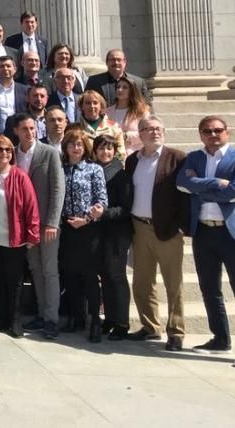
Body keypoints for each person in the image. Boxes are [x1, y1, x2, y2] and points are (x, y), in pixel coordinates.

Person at [176, 116, 235, 353]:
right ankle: (221, 339)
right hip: (203, 231)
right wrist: (216, 183)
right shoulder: (194, 158)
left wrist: (200, 188)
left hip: (232, 233)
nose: (213, 135)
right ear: (200, 134)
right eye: (207, 131)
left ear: (227, 132)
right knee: (209, 289)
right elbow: (182, 183)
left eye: (218, 130)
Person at [127, 116, 188, 349]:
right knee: (142, 282)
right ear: (140, 135)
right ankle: (150, 326)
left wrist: (181, 226)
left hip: (167, 230)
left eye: (158, 128)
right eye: (148, 129)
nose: (154, 132)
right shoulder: (134, 160)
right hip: (139, 228)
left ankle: (176, 331)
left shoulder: (177, 158)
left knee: (174, 284)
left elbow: (185, 196)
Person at [13, 113, 65, 340]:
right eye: (24, 128)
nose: (29, 132)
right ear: (16, 131)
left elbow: (57, 188)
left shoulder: (49, 153)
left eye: (32, 128)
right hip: (24, 224)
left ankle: (52, 318)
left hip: (46, 224)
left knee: (49, 270)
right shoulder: (12, 154)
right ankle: (43, 314)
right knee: (34, 270)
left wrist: (53, 221)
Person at [0, 135, 40, 337]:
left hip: (15, 237)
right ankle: (1, 318)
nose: (4, 153)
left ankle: (15, 321)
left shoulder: (20, 176)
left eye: (8, 150)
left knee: (14, 281)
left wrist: (32, 235)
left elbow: (31, 207)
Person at [59, 127, 108, 342]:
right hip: (67, 229)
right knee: (70, 275)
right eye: (71, 144)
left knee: (89, 277)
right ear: (66, 147)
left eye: (79, 144)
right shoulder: (61, 169)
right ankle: (75, 316)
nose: (75, 148)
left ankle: (94, 321)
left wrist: (87, 219)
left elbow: (101, 200)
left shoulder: (94, 169)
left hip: (88, 229)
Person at [92, 135, 133, 341]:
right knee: (105, 276)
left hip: (118, 232)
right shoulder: (94, 170)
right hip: (100, 232)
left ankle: (122, 323)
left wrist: (105, 213)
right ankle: (109, 317)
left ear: (115, 151)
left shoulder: (121, 174)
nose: (105, 152)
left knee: (116, 276)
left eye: (109, 149)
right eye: (101, 148)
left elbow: (126, 208)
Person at [0, 56, 28, 135]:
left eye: (8, 66)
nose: (5, 69)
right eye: (2, 66)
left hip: (20, 134)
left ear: (15, 69)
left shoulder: (25, 90)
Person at [87, 49, 151, 105]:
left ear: (124, 62)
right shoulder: (94, 81)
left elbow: (147, 106)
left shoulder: (139, 83)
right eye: (112, 60)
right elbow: (86, 104)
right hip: (105, 118)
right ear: (107, 62)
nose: (116, 62)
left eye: (119, 60)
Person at [105, 76, 150, 153]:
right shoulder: (108, 112)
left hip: (135, 153)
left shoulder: (141, 111)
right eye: (118, 87)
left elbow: (147, 132)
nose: (120, 90)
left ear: (132, 91)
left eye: (125, 87)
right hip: (114, 154)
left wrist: (126, 136)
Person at [79, 90, 126, 160]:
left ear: (101, 105)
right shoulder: (75, 129)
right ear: (82, 106)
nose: (92, 106)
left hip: (111, 169)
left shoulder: (114, 127)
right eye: (88, 103)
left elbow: (121, 154)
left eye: (95, 103)